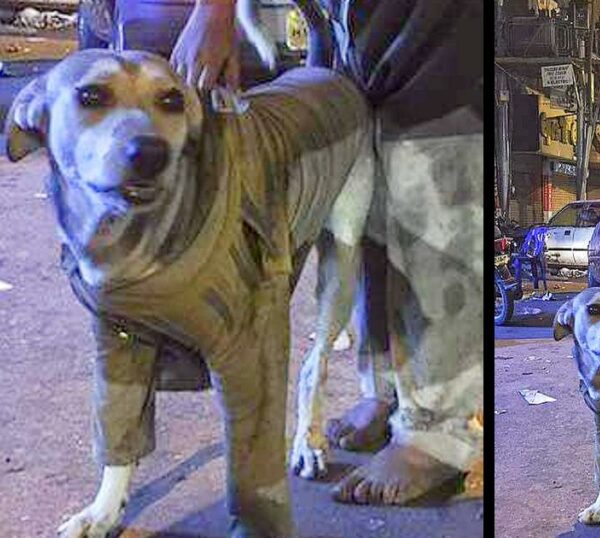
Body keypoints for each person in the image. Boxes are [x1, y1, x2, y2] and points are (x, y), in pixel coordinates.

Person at [170, 0, 483, 506]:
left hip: (436, 26)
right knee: (368, 213)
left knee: (432, 204)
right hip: (348, 25)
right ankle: (386, 392)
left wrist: (214, 9)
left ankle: (436, 437)